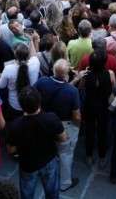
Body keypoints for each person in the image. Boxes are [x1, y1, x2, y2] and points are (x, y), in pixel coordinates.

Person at [7, 87, 66, 199]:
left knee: (27, 193)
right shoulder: (51, 118)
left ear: (21, 105)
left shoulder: (15, 125)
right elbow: (63, 138)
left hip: (28, 164)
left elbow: (11, 149)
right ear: (39, 102)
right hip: (49, 160)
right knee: (52, 192)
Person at [34, 59, 81, 192]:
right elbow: (77, 116)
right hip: (64, 125)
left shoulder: (42, 82)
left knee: (44, 148)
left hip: (44, 121)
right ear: (66, 75)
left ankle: (43, 173)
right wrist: (77, 126)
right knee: (66, 153)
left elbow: (34, 96)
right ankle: (65, 183)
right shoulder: (72, 91)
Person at [81, 49, 115, 167]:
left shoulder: (86, 75)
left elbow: (82, 88)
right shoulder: (109, 74)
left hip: (89, 105)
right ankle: (102, 156)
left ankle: (89, 155)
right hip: (103, 106)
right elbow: (112, 88)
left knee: (89, 131)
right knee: (102, 131)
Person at [0, 43, 40, 119]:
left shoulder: (8, 69)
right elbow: (34, 55)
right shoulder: (35, 64)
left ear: (15, 55)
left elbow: (1, 85)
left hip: (14, 105)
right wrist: (31, 40)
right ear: (28, 55)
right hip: (31, 103)